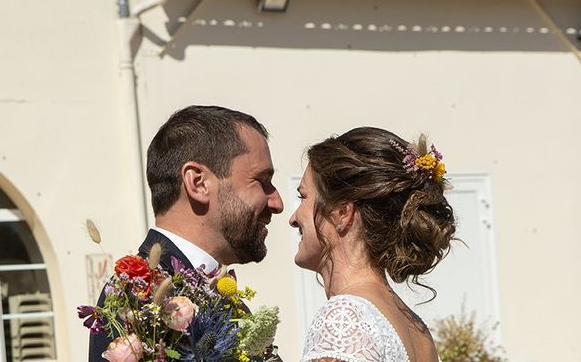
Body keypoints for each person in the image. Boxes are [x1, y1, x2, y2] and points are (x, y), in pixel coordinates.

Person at [89, 105, 284, 361]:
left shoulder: (208, 290)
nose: (277, 202)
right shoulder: (138, 300)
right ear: (198, 183)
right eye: (261, 181)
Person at [290, 127, 456, 362]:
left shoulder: (345, 319)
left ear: (341, 212)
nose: (293, 218)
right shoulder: (416, 330)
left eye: (303, 197)